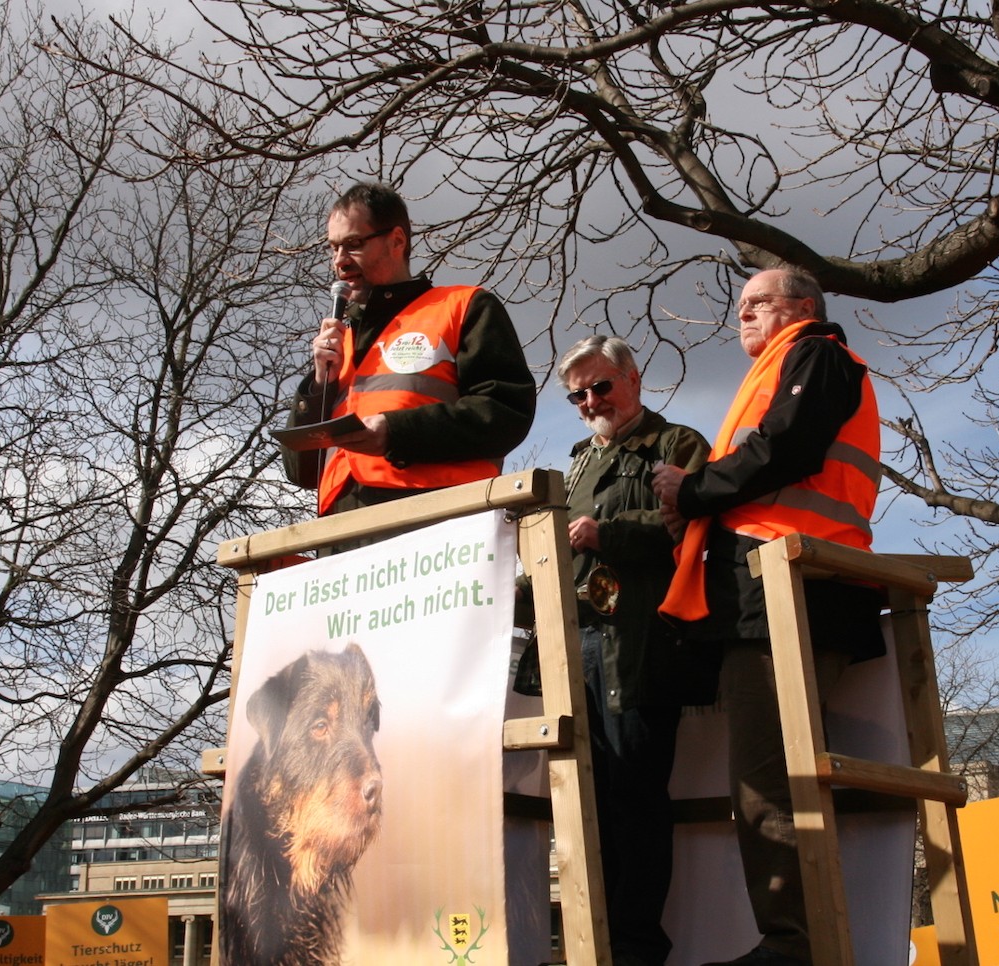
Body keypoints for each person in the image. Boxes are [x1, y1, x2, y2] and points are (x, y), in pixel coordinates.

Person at [652, 268, 883, 966]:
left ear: (803, 307)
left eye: (758, 303)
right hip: (776, 591)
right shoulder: (787, 368)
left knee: (766, 776)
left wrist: (693, 491)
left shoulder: (817, 355)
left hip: (791, 592)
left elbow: (786, 445)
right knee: (767, 773)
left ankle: (794, 945)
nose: (742, 315)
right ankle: (794, 940)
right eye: (739, 306)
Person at [536, 335, 711, 966]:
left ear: (633, 379)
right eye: (576, 394)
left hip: (638, 641)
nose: (589, 401)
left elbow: (692, 526)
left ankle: (637, 947)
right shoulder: (578, 461)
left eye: (600, 386)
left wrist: (606, 532)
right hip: (576, 642)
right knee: (588, 795)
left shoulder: (676, 445)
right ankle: (598, 942)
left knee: (635, 794)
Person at [282, 181, 536, 515]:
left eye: (353, 244)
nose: (340, 262)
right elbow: (299, 471)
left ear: (397, 241)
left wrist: (396, 432)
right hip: (342, 535)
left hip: (438, 523)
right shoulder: (337, 343)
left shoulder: (462, 306)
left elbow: (506, 414)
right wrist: (317, 388)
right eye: (333, 248)